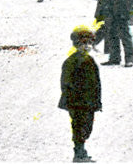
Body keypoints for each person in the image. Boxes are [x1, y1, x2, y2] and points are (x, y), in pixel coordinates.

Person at [58, 25, 101, 163]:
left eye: (89, 43)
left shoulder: (90, 61)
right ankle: (79, 152)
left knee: (87, 127)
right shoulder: (71, 62)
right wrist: (70, 97)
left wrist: (97, 101)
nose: (87, 46)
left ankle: (81, 150)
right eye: (83, 44)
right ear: (77, 44)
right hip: (76, 102)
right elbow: (65, 83)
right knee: (79, 127)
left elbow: (96, 83)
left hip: (89, 102)